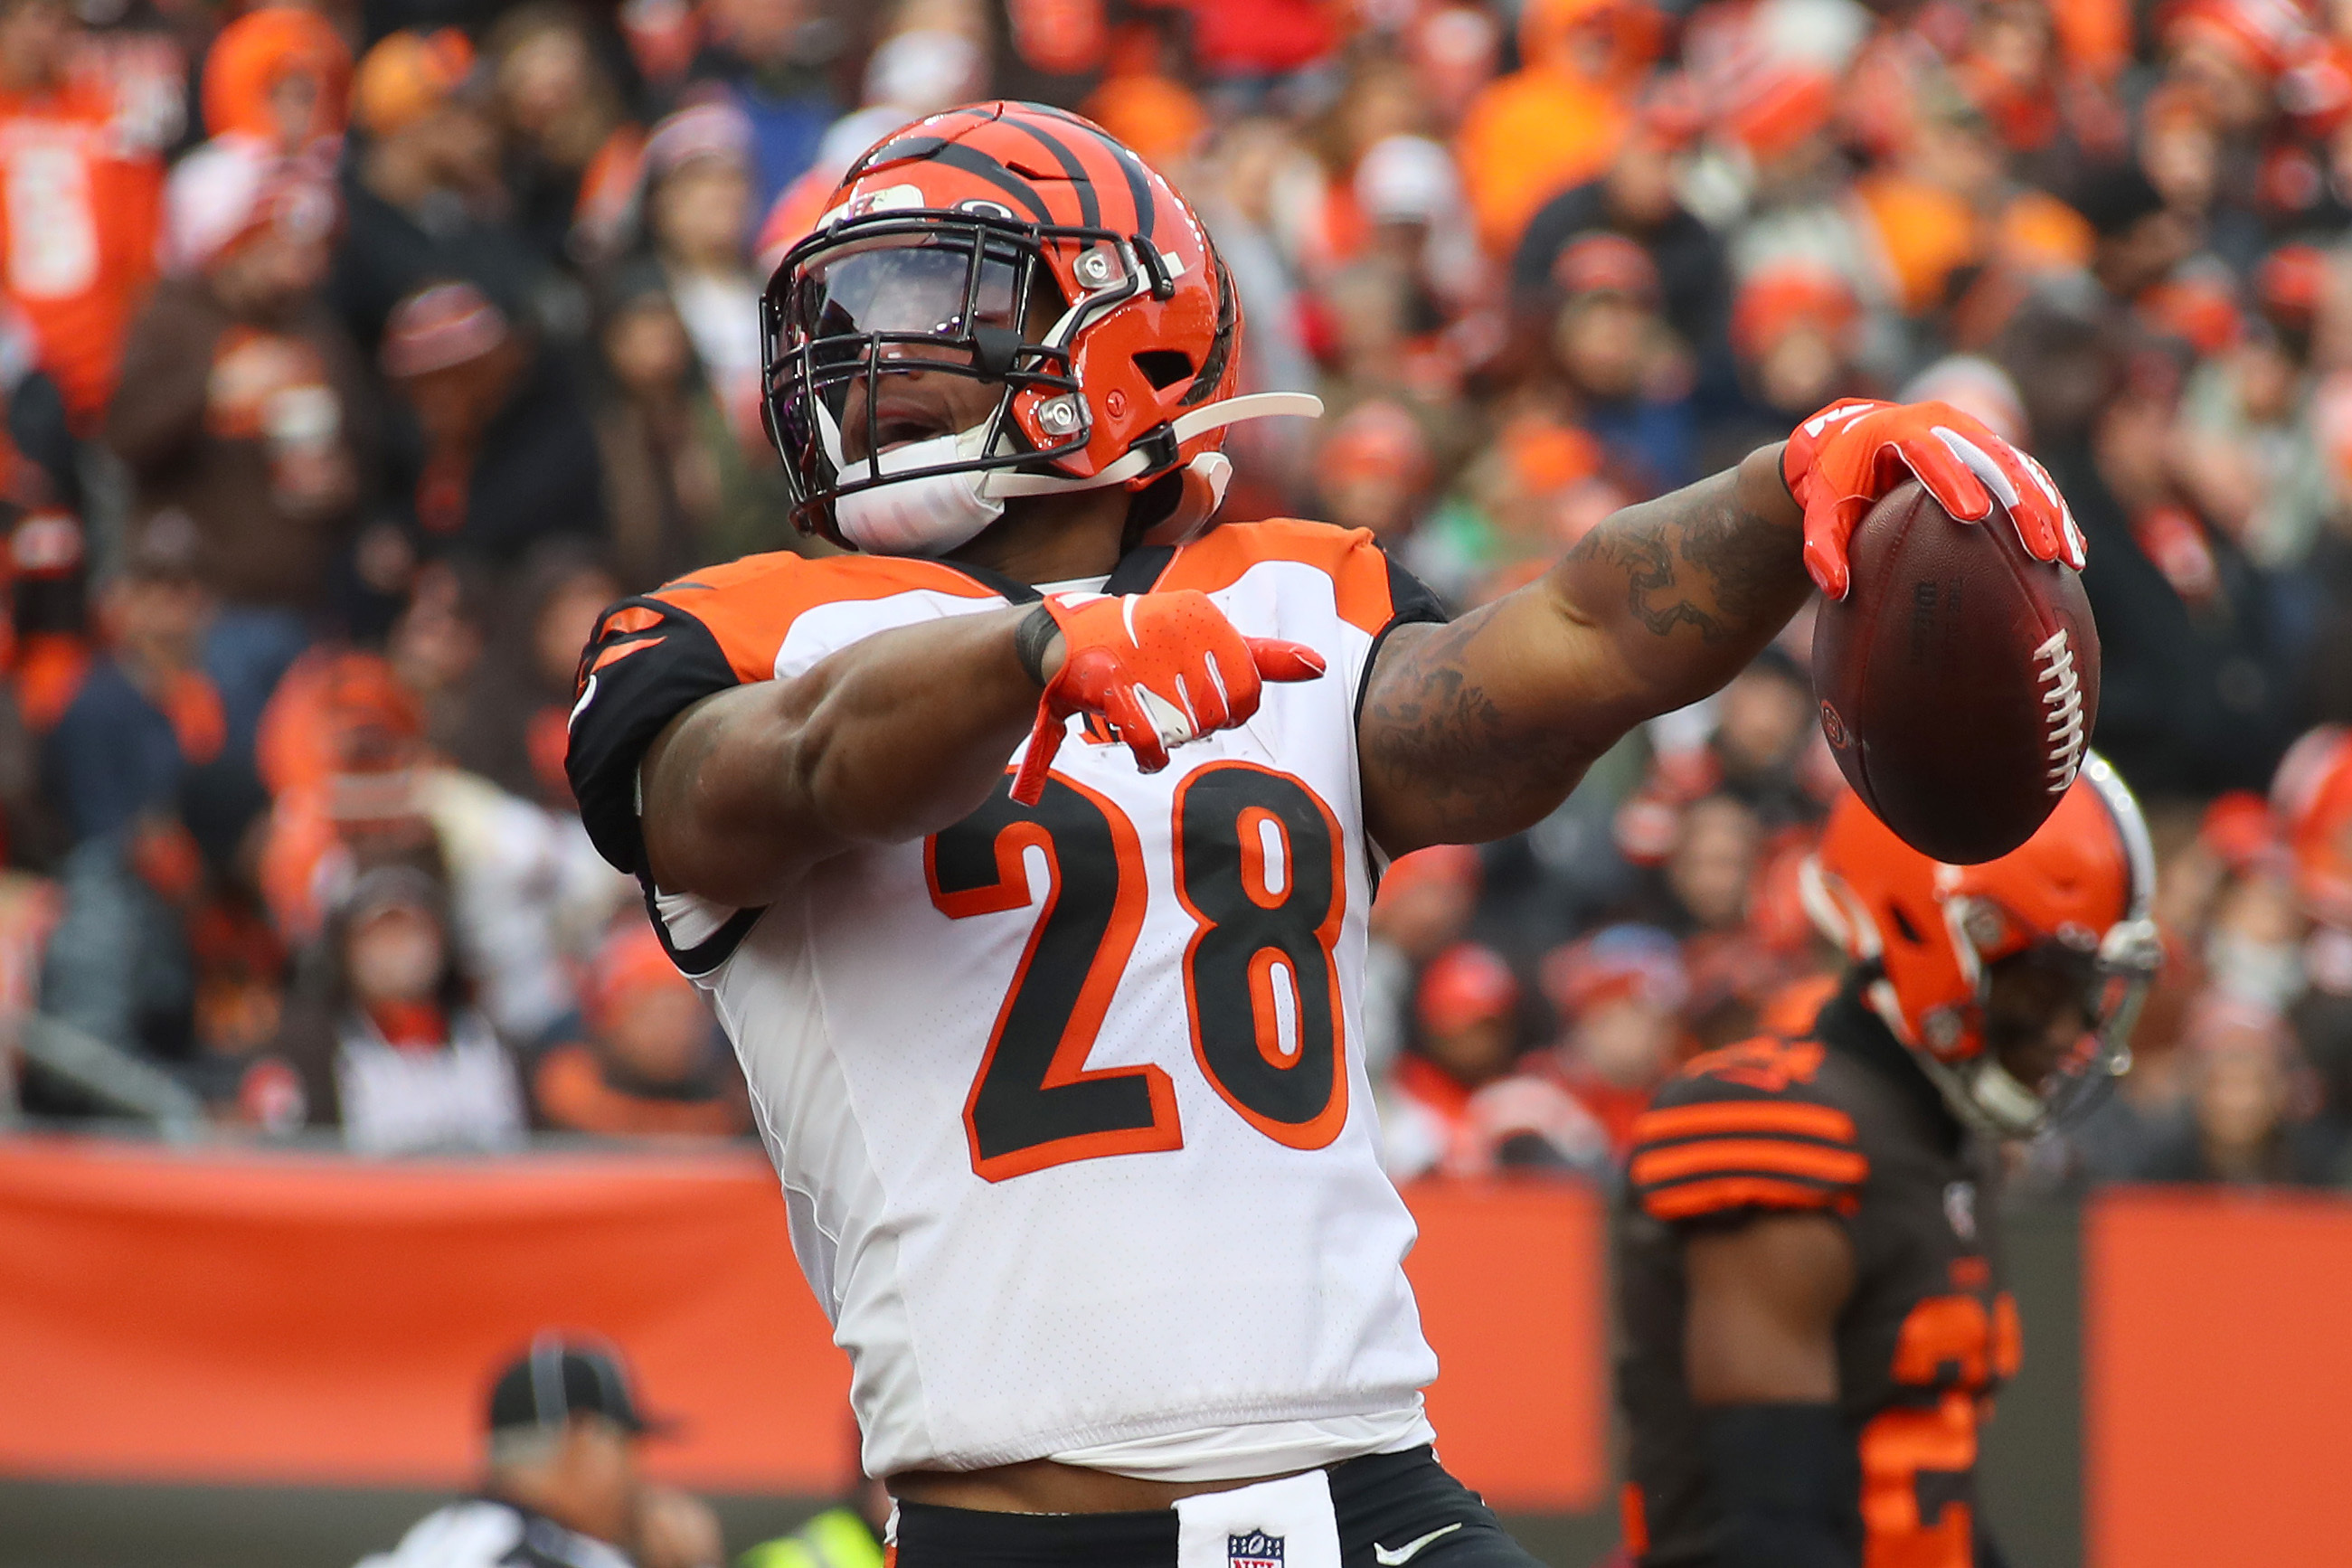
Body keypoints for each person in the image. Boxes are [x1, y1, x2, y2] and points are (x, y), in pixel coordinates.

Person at [563, 101, 2083, 1568]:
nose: (872, 360)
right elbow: (778, 770)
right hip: (1027, 1523)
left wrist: (1796, 475)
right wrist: (1026, 654)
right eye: (853, 307)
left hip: (1371, 1498)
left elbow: (1574, 637)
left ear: (1119, 330)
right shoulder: (731, 633)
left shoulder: (1301, 588)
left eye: (932, 301)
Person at [1614, 757, 2163, 1567]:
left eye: (2084, 998)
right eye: (2045, 986)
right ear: (1940, 941)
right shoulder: (1779, 1126)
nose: (2066, 1034)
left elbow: (1929, 1491)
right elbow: (1768, 1523)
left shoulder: (1948, 1137)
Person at [356, 1337, 722, 1568]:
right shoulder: (553, 1556)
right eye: (626, 1448)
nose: (638, 1477)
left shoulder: (429, 1539)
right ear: (582, 1441)